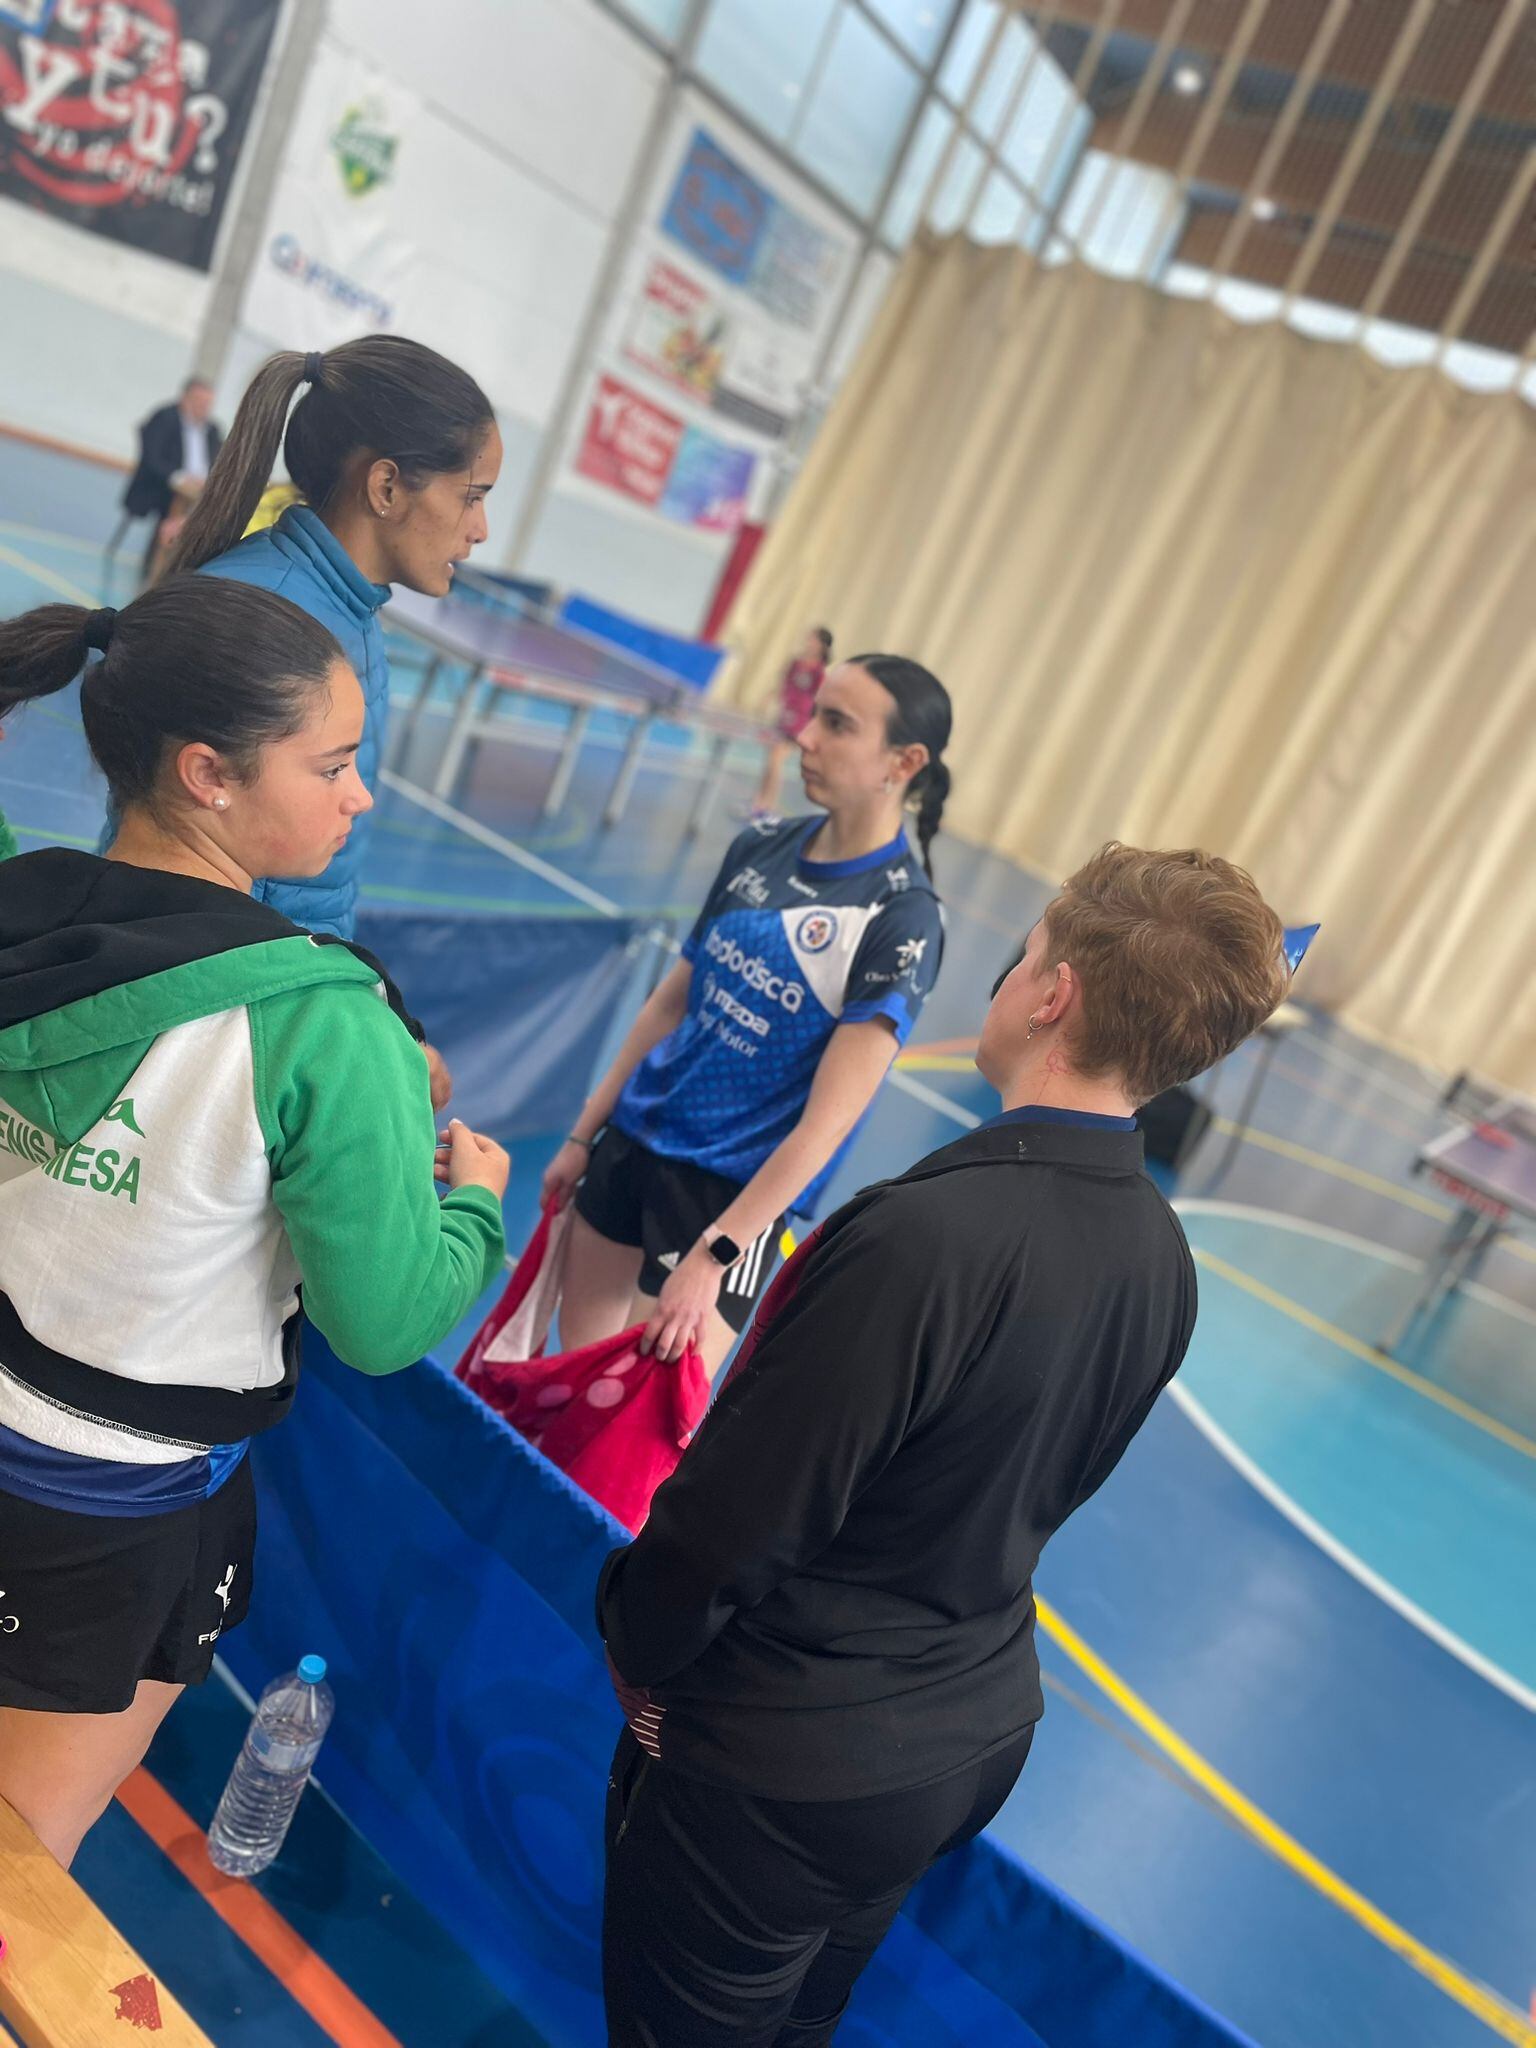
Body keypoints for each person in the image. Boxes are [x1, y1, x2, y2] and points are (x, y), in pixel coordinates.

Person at [597, 842, 1292, 2046]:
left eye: (1025, 951)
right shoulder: (1163, 1261)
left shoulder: (919, 1235)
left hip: (787, 1756)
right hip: (958, 1737)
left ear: (1053, 991)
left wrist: (637, 1641)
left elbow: (737, 1515)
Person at [0, 578, 510, 1870]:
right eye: (333, 764)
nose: (361, 797)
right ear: (206, 774)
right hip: (108, 1518)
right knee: (19, 1854)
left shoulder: (19, 890)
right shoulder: (322, 1020)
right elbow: (385, 1321)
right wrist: (475, 1207)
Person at [543, 654, 951, 1380]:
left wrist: (719, 1252)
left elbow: (828, 1124)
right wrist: (584, 1134)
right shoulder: (758, 845)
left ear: (904, 761)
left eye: (836, 724)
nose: (805, 736)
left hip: (726, 1197)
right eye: (813, 714)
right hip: (633, 1144)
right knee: (568, 1383)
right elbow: (671, 1002)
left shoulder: (901, 917)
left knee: (633, 1445)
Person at [153, 334, 503, 940]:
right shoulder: (265, 617)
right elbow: (184, 876)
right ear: (387, 487)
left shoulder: (351, 609)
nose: (481, 530)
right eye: (471, 498)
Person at [121, 378, 223, 581]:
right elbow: (152, 457)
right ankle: (154, 563)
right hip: (162, 487)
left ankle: (189, 567)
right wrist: (179, 478)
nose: (203, 408)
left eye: (207, 404)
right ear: (185, 399)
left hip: (198, 489)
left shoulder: (213, 430)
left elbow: (220, 462)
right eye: (199, 402)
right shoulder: (164, 418)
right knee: (173, 510)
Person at [749, 625, 832, 816]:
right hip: (783, 718)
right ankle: (759, 802)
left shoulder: (819, 672)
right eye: (808, 637)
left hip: (799, 723)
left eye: (813, 639)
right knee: (770, 761)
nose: (808, 641)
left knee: (776, 760)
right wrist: (768, 699)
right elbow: (782, 685)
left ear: (822, 646)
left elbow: (819, 699)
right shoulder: (795, 663)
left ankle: (766, 806)